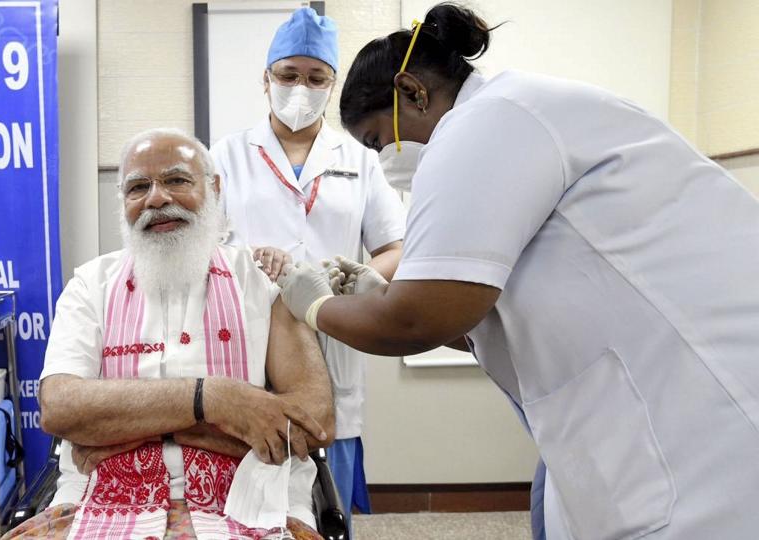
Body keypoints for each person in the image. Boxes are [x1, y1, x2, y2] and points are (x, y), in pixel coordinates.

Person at [277, 2, 759, 539]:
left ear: (412, 91)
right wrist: (376, 292)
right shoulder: (517, 113)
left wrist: (318, 306)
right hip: (621, 399)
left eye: (377, 140)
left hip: (699, 417)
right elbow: (483, 317)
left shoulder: (488, 122)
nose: (385, 158)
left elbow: (416, 322)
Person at [3, 128, 334, 540]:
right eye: (138, 187)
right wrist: (215, 400)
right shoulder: (91, 285)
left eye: (176, 180)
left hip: (248, 501)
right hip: (101, 499)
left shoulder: (265, 282)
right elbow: (61, 409)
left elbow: (313, 420)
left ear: (213, 188)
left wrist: (128, 425)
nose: (156, 198)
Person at [210, 7, 407, 526]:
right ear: (266, 78)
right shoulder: (226, 156)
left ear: (332, 84)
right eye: (288, 74)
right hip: (249, 338)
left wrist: (352, 280)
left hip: (333, 334)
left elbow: (395, 246)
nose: (301, 87)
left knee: (327, 498)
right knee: (248, 496)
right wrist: (246, 262)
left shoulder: (360, 157)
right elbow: (202, 249)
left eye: (316, 78)